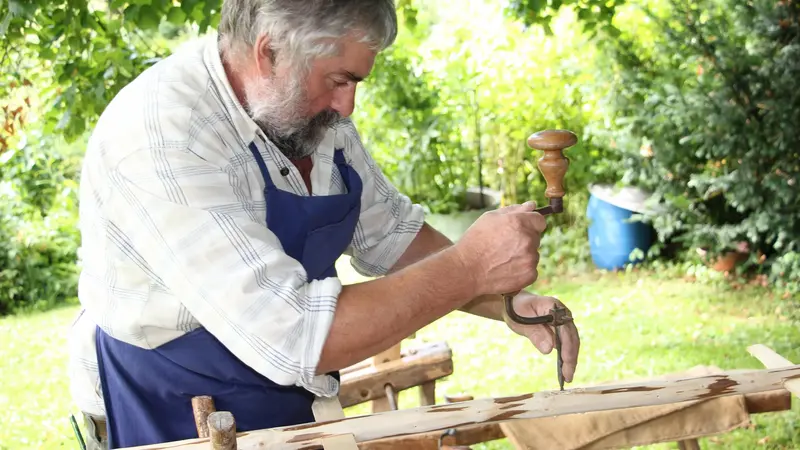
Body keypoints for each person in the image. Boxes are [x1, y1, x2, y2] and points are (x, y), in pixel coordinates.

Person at [67, 0, 581, 448]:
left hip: (290, 390)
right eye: (339, 80)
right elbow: (295, 333)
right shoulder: (165, 134)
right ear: (269, 52)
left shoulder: (306, 115)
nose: (348, 105)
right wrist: (470, 267)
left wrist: (506, 303)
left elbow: (390, 231)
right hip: (174, 407)